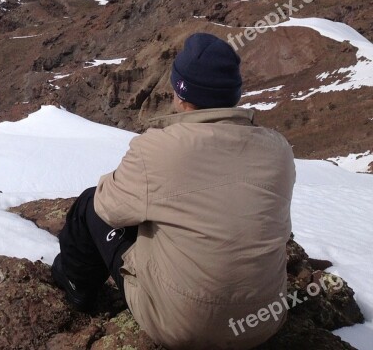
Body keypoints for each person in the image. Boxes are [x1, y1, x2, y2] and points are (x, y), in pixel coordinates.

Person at [53, 33, 296, 350]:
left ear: (181, 94)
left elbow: (108, 208)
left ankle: (76, 289)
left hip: (184, 327)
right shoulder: (278, 149)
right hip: (264, 322)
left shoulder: (158, 149)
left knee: (89, 203)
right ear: (234, 95)